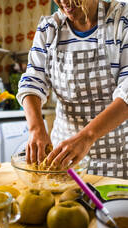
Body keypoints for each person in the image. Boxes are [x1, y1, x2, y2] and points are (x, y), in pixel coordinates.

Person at [17, 0, 128, 179]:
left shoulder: (121, 21)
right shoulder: (49, 29)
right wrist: (36, 128)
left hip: (116, 160)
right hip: (64, 160)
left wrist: (87, 136)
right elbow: (32, 81)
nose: (64, 2)